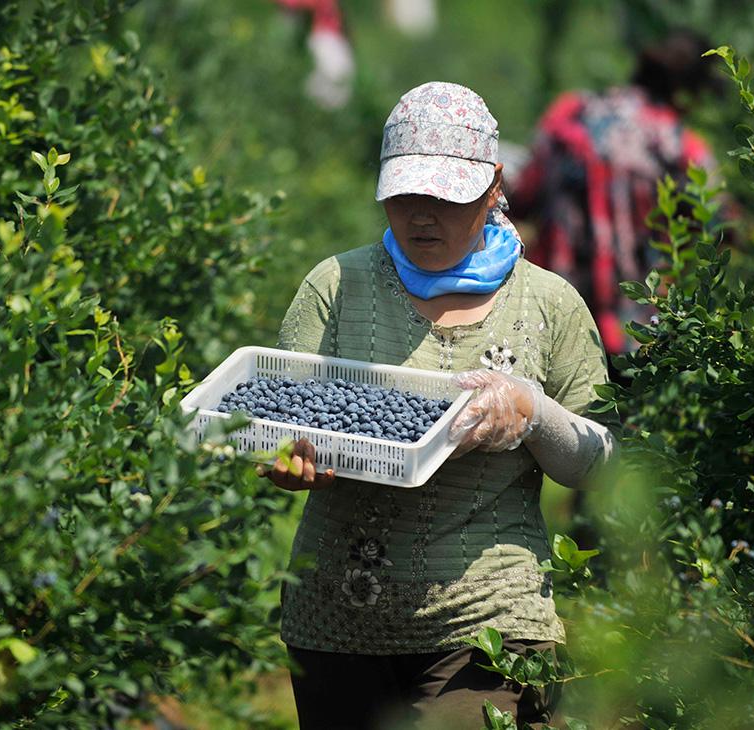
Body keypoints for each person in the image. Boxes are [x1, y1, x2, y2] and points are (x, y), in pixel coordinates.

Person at [258, 82, 618, 730]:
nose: (422, 215)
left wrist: (532, 412)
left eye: (445, 197)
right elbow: (282, 422)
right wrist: (286, 460)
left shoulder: (549, 304)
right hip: (337, 620)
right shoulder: (336, 287)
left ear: (494, 186)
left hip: (490, 623)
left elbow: (599, 459)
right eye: (405, 196)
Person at [508, 29, 723, 374]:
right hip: (638, 330)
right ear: (688, 92)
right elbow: (718, 228)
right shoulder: (680, 146)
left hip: (549, 314)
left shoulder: (569, 115)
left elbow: (520, 199)